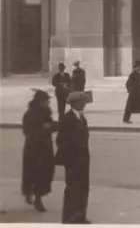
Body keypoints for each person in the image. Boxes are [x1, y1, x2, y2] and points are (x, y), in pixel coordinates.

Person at [56, 91, 91, 224]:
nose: (84, 105)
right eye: (82, 102)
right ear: (74, 104)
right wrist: (70, 157)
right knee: (72, 189)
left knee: (83, 188)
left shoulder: (82, 117)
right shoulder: (67, 119)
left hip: (83, 160)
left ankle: (80, 216)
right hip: (73, 161)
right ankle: (69, 218)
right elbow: (60, 140)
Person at [21, 89, 58, 213]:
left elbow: (50, 125)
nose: (48, 102)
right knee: (33, 172)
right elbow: (27, 131)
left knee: (45, 172)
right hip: (33, 148)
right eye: (46, 100)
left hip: (46, 148)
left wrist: (53, 126)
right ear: (39, 101)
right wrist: (43, 128)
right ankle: (34, 196)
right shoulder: (30, 114)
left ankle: (38, 196)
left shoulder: (46, 113)